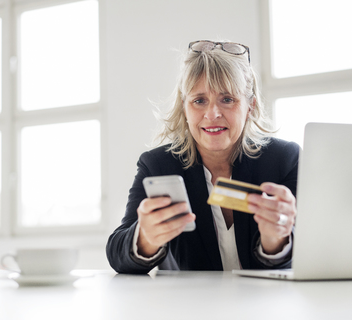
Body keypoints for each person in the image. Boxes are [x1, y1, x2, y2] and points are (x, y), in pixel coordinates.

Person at [106, 40, 299, 274]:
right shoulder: (158, 165)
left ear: (250, 106)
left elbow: (308, 254)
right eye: (199, 101)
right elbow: (117, 253)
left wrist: (276, 240)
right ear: (184, 108)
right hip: (191, 308)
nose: (212, 114)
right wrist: (145, 238)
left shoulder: (284, 160)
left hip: (266, 306)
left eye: (227, 99)